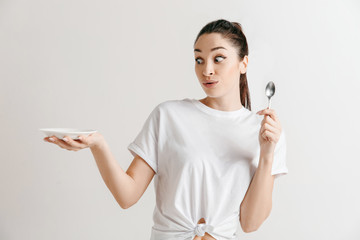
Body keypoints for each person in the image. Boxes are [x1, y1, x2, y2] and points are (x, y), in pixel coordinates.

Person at [43, 19, 288, 240]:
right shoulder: (169, 116)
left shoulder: (266, 131)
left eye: (218, 58)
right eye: (199, 59)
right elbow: (127, 196)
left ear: (243, 63)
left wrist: (267, 154)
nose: (207, 70)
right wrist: (98, 145)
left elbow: (251, 223)